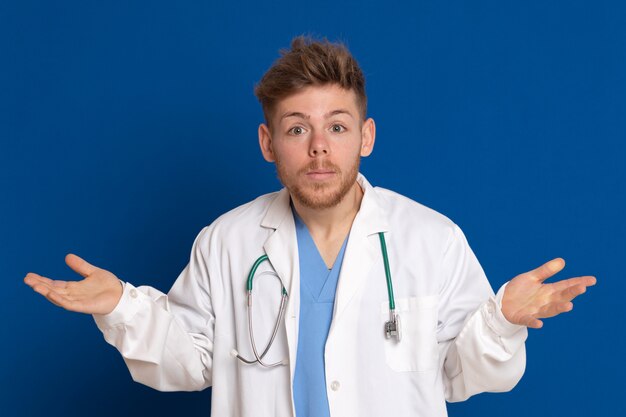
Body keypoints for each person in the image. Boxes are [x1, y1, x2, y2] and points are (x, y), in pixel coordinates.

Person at [24, 36, 596, 417]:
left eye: (338, 127)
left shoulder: (432, 240)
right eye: (297, 129)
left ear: (366, 138)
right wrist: (120, 306)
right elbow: (190, 361)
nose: (320, 147)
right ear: (268, 143)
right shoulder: (228, 242)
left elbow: (459, 375)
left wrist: (500, 321)